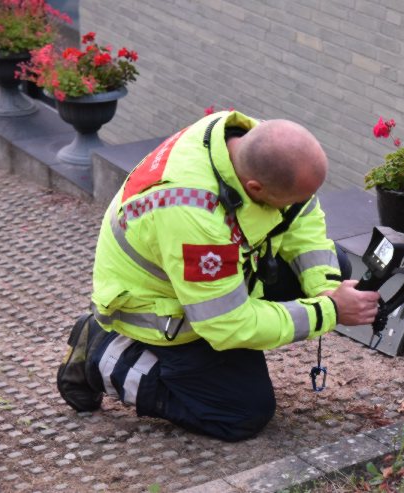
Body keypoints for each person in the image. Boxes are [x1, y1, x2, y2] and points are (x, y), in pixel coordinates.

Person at [56, 110, 380, 441]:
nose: (301, 203)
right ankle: (101, 354)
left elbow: (302, 216)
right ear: (255, 187)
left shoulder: (247, 142)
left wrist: (325, 289)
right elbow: (226, 325)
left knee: (335, 264)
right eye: (292, 199)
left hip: (214, 278)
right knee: (241, 414)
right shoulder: (193, 214)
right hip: (165, 313)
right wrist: (331, 311)